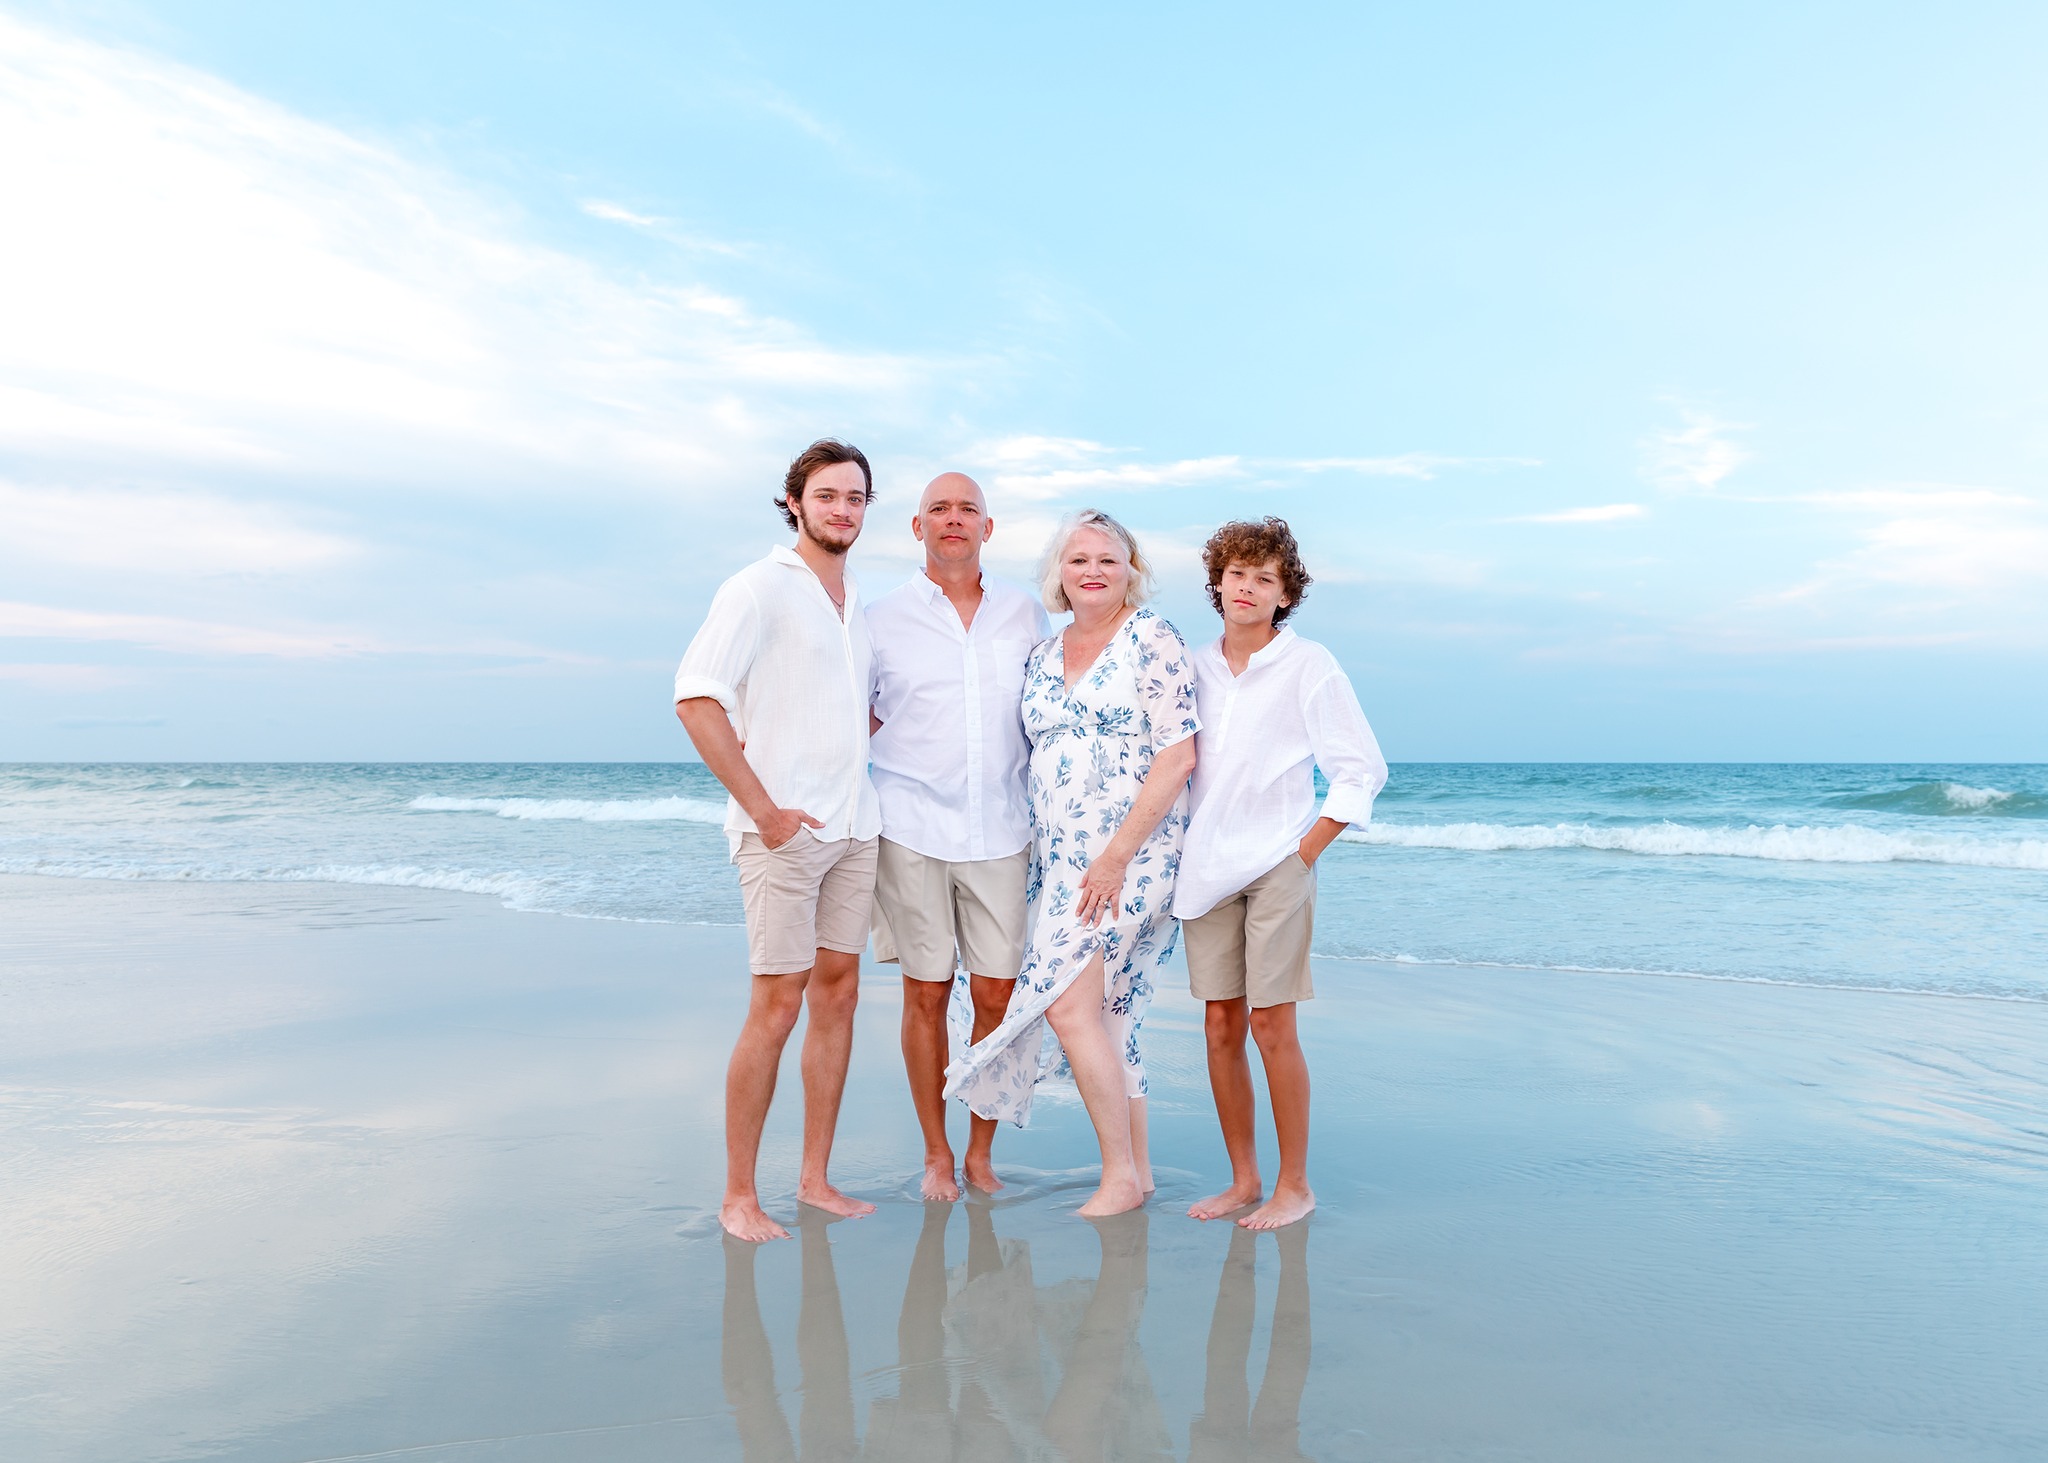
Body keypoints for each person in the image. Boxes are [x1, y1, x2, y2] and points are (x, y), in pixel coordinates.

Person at [945, 508, 1199, 1219]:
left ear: (1131, 573)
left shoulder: (1152, 637)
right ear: (1059, 571)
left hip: (1129, 854)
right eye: (1079, 558)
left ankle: (1116, 1173)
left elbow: (1179, 754)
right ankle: (1139, 1174)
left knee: (1067, 1003)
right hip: (1057, 859)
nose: (1093, 570)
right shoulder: (1043, 652)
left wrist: (1116, 857)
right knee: (1111, 1018)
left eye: (1108, 560)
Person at [673, 438, 883, 1243]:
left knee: (839, 995)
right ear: (794, 501)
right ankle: (738, 1195)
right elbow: (697, 700)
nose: (842, 509)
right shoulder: (757, 589)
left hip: (856, 828)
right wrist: (764, 809)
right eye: (827, 495)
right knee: (777, 1004)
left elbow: (848, 708)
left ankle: (816, 1179)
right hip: (783, 835)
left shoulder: (857, 598)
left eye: (856, 497)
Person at [1175, 517, 1387, 1230]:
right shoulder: (1191, 666)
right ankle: (1244, 1178)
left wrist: (1306, 850)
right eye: (1237, 573)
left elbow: (1361, 766)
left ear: (1284, 594)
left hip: (1276, 863)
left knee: (1271, 1024)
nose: (1248, 587)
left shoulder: (1309, 665)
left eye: (1265, 577)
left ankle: (1295, 1185)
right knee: (1218, 1025)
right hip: (1205, 869)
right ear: (1218, 582)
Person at [868, 472, 1051, 1201]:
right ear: (917, 528)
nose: (953, 519)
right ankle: (935, 1152)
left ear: (988, 527)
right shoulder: (880, 618)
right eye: (938, 509)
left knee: (998, 995)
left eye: (966, 509)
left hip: (1003, 830)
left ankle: (980, 1150)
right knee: (925, 989)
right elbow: (856, 718)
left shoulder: (1024, 612)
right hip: (910, 825)